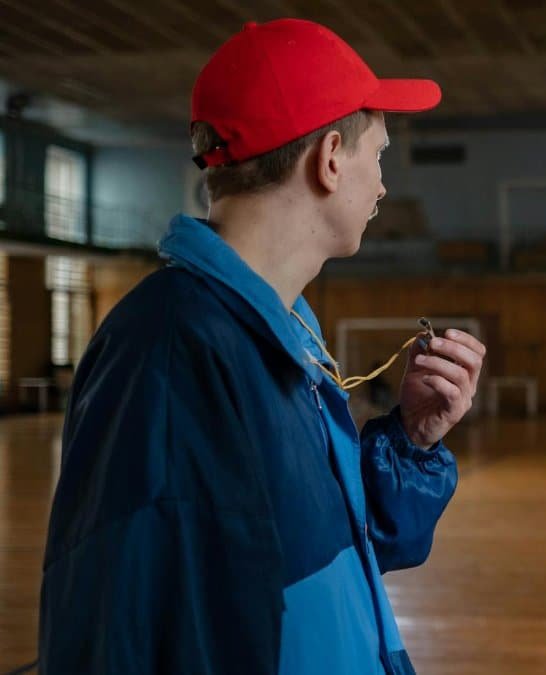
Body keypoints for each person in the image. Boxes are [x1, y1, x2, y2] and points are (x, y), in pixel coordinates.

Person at [38, 19, 485, 674]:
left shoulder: (273, 329)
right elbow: (114, 625)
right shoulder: (168, 355)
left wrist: (412, 440)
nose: (383, 186)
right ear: (331, 158)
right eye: (379, 156)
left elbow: (316, 546)